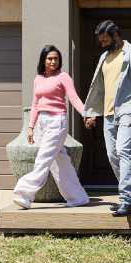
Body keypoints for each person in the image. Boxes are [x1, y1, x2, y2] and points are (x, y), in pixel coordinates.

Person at [82, 20, 131, 217]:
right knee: (112, 155)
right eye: (100, 41)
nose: (102, 44)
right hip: (109, 113)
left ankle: (126, 199)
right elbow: (99, 88)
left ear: (116, 35)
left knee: (123, 150)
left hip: (128, 109)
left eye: (105, 40)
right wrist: (92, 113)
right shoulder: (105, 57)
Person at [12, 45, 90, 210]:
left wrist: (86, 114)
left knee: (43, 159)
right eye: (49, 58)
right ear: (43, 60)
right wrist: (31, 127)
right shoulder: (38, 79)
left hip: (57, 121)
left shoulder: (63, 77)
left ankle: (24, 193)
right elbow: (35, 104)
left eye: (56, 58)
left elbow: (74, 98)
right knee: (59, 162)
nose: (53, 61)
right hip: (42, 123)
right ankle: (78, 197)